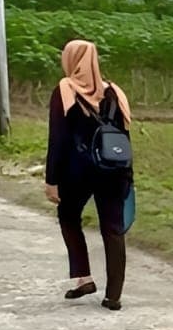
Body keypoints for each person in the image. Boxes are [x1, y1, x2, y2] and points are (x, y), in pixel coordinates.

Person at [45, 39, 132, 311]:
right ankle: (113, 296)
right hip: (114, 170)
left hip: (77, 172)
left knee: (68, 216)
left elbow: (57, 139)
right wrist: (129, 176)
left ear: (71, 60)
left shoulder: (65, 89)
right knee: (113, 229)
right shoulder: (115, 92)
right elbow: (124, 138)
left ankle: (84, 278)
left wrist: (51, 180)